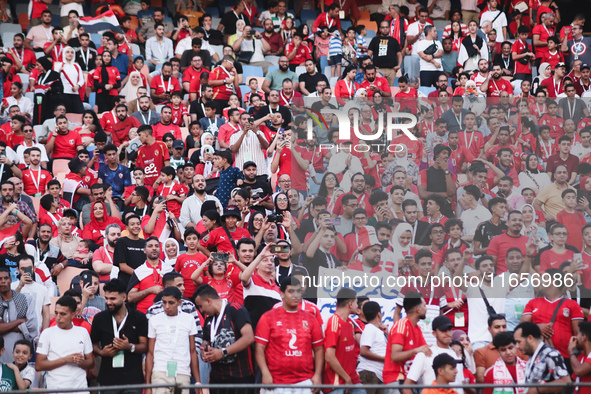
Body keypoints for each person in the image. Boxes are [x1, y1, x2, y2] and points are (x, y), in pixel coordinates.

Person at [255, 276, 324, 390]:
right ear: (282, 294)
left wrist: (317, 375)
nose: (295, 295)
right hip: (276, 381)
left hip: (305, 381)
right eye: (291, 291)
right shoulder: (268, 317)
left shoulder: (311, 318)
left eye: (298, 291)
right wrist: (265, 373)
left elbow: (319, 349)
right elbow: (259, 348)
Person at [194, 284, 256, 393]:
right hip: (217, 379)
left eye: (200, 306)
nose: (201, 310)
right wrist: (204, 352)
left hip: (240, 377)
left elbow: (249, 337)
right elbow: (205, 342)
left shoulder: (236, 309)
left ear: (208, 301)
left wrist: (223, 352)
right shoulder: (209, 320)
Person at [90, 279, 148, 394]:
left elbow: (145, 346)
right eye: (106, 298)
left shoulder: (139, 317)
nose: (108, 302)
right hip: (108, 377)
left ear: (124, 298)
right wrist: (102, 353)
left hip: (132, 378)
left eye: (113, 299)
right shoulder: (99, 318)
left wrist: (129, 346)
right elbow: (93, 345)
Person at [146, 286, 201, 394]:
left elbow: (193, 351)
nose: (167, 306)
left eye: (171, 303)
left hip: (183, 371)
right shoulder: (154, 320)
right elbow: (150, 353)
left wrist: (198, 381)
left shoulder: (189, 319)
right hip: (160, 371)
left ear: (179, 303)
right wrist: (148, 385)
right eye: (164, 302)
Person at [35, 295, 94, 393]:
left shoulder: (82, 332)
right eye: (56, 313)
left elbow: (91, 363)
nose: (58, 317)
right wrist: (65, 360)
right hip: (56, 390)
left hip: (80, 390)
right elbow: (39, 365)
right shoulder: (47, 333)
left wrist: (80, 362)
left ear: (73, 314)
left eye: (63, 314)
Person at [384, 292, 432, 386]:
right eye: (424, 305)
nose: (426, 309)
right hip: (396, 379)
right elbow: (395, 356)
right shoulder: (401, 325)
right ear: (418, 309)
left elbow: (427, 351)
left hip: (409, 379)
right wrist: (416, 350)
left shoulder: (417, 328)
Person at [514, 321, 571, 390]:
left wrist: (537, 390)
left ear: (530, 338)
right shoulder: (532, 355)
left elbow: (566, 381)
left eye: (519, 342)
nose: (517, 346)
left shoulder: (550, 354)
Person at [0, 267, 37, 363]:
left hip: (21, 355)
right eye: (0, 279)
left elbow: (32, 326)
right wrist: (19, 322)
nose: (3, 281)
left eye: (6, 278)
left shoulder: (25, 299)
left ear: (11, 280)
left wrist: (5, 326)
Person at [127, 236, 164, 314]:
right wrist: (149, 290)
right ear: (144, 250)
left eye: (156, 246)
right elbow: (130, 297)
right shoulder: (139, 272)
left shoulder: (168, 269)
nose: (154, 248)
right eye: (150, 246)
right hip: (144, 315)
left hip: (165, 313)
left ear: (160, 249)